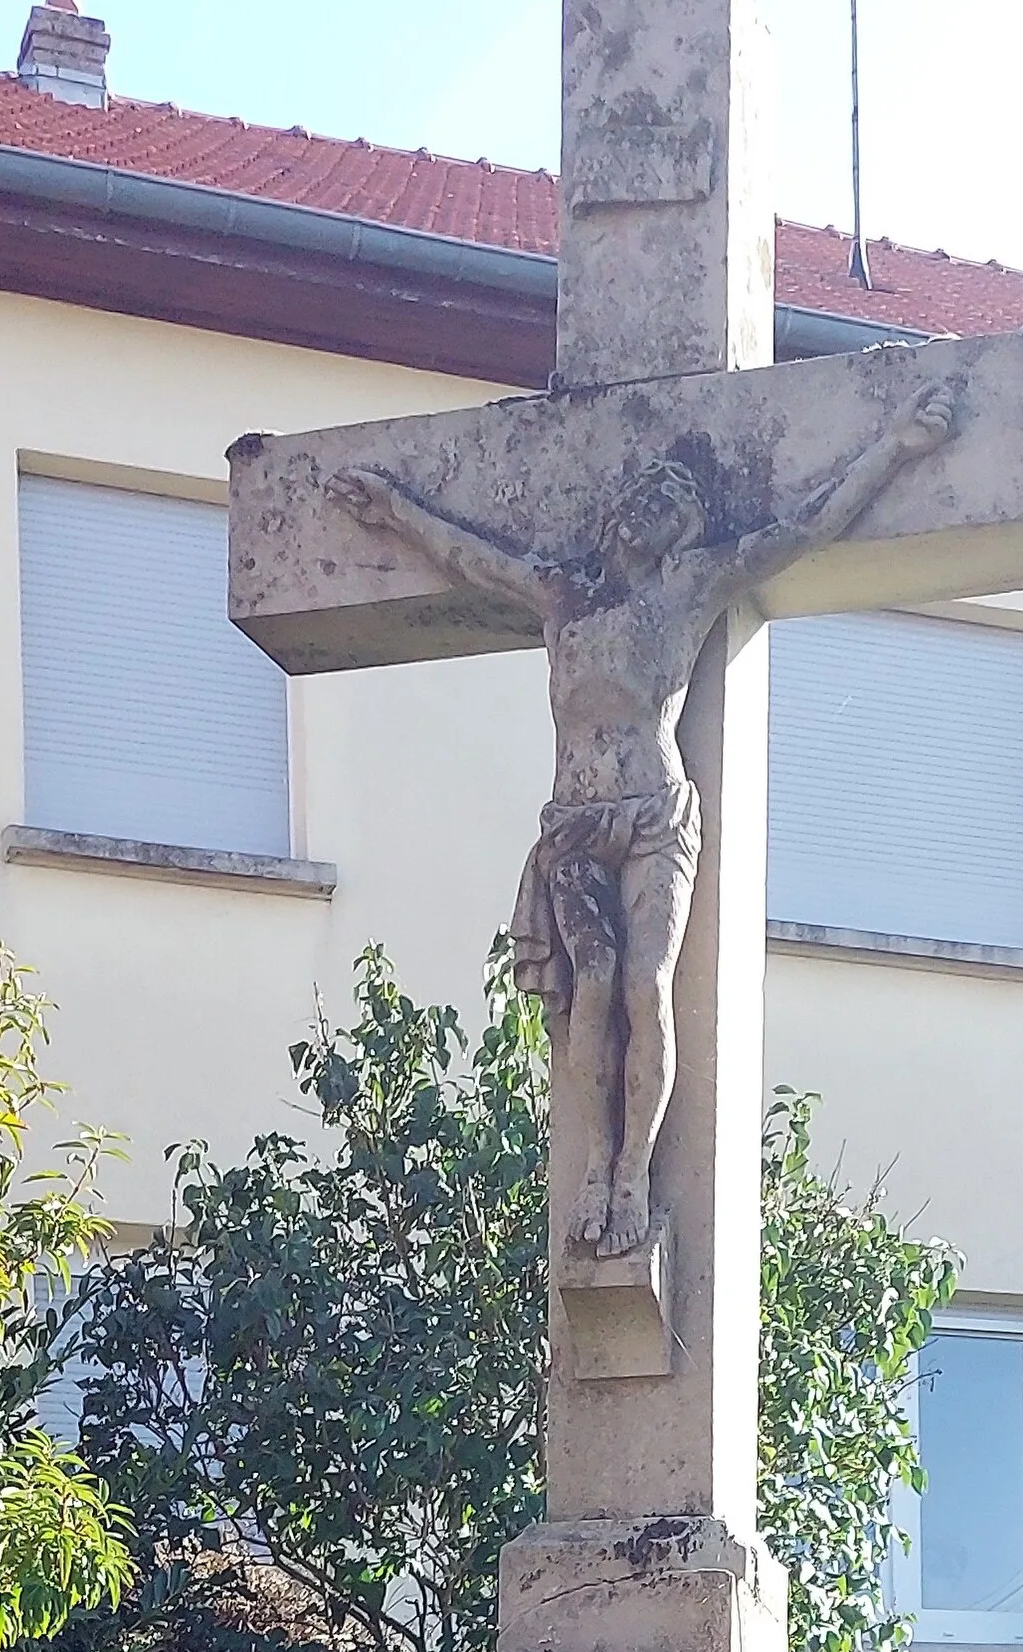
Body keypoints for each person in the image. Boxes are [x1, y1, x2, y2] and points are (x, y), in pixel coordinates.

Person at [330, 355, 960, 1257]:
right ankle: (596, 1165)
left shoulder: (692, 587)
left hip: (657, 817)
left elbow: (804, 526)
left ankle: (632, 1177)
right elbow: (470, 555)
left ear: (680, 532)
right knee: (591, 988)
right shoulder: (562, 591)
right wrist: (396, 511)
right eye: (638, 496)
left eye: (666, 503)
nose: (643, 507)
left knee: (643, 984)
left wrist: (895, 451)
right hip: (576, 827)